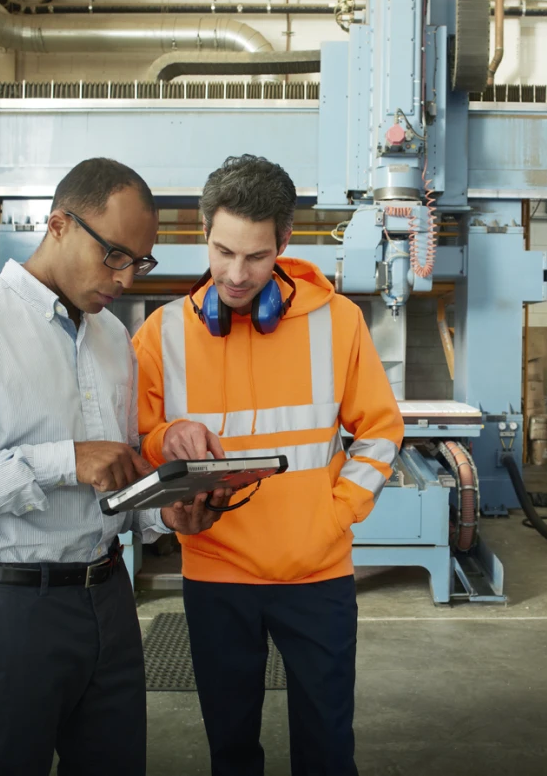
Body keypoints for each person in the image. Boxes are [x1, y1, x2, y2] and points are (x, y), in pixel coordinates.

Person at [0, 158, 225, 776]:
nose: (124, 278)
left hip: (109, 601)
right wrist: (62, 461)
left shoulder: (113, 340)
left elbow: (115, 478)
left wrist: (164, 517)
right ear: (58, 224)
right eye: (114, 255)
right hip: (8, 610)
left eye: (139, 262)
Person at [133, 154, 404, 776]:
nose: (236, 274)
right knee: (230, 749)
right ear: (204, 232)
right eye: (223, 251)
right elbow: (141, 441)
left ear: (284, 242)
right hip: (215, 570)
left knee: (327, 747)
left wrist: (335, 516)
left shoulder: (339, 323)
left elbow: (380, 431)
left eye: (256, 257)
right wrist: (169, 436)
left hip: (317, 572)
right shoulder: (161, 334)